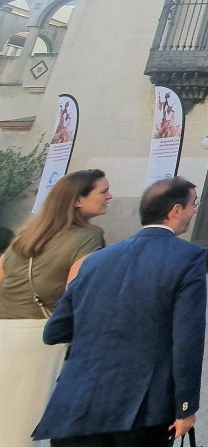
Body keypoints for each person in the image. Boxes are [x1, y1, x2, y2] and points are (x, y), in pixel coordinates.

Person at [32, 177, 206, 446]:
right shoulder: (187, 257)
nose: (194, 211)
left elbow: (56, 331)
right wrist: (185, 406)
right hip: (142, 405)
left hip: (77, 401)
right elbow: (187, 338)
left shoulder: (95, 261)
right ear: (175, 210)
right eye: (192, 204)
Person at [0, 169, 110, 447]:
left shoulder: (25, 235)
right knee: (30, 423)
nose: (110, 196)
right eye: (103, 191)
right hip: (43, 337)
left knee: (7, 419)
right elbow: (77, 293)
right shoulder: (88, 238)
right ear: (77, 200)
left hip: (5, 332)